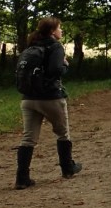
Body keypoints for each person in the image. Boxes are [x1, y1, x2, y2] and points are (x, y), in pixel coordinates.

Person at [14, 16, 82, 189]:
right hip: (50, 98)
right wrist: (65, 65)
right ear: (52, 31)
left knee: (28, 138)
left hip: (28, 99)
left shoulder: (32, 46)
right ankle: (68, 169)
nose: (61, 30)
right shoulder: (55, 46)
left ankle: (22, 178)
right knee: (63, 134)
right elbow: (55, 70)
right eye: (59, 28)